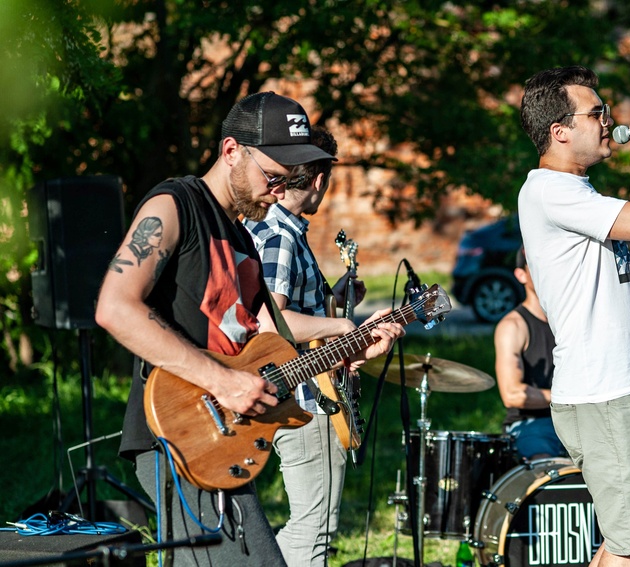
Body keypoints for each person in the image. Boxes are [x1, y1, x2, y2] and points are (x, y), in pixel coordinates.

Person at [95, 91, 404, 566]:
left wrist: (352, 345)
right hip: (178, 435)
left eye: (286, 181)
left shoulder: (241, 238)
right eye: (273, 177)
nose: (279, 192)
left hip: (230, 438)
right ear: (232, 151)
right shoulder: (175, 204)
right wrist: (223, 382)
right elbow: (115, 308)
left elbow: (269, 345)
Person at [517, 66, 630, 567]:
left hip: (628, 385)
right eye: (596, 113)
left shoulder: (577, 192)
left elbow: (587, 280)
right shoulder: (550, 188)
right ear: (559, 131)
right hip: (606, 392)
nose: (608, 121)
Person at [243, 127, 359, 565]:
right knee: (315, 528)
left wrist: (339, 297)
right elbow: (273, 321)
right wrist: (341, 323)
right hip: (307, 399)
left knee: (313, 524)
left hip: (308, 394)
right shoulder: (280, 235)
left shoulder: (281, 228)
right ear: (317, 179)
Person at [494, 245, 566, 461]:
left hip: (577, 420)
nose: (546, 271)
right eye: (537, 266)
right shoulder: (513, 326)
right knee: (545, 467)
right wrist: (567, 398)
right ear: (521, 274)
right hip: (531, 424)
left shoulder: (569, 321)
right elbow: (512, 394)